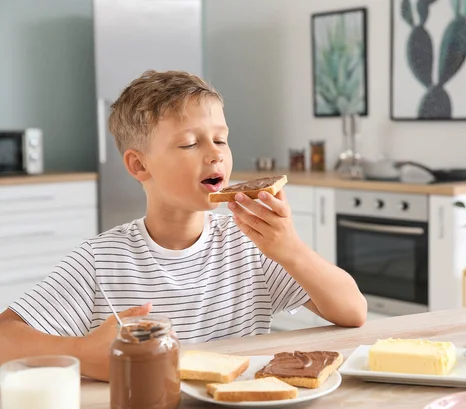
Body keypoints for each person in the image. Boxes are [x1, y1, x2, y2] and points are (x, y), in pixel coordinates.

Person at [0, 70, 367, 381]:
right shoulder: (100, 260)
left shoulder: (248, 244)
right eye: (191, 143)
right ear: (140, 166)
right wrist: (85, 353)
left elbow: (352, 312)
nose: (216, 152)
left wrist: (291, 251)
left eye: (221, 139)